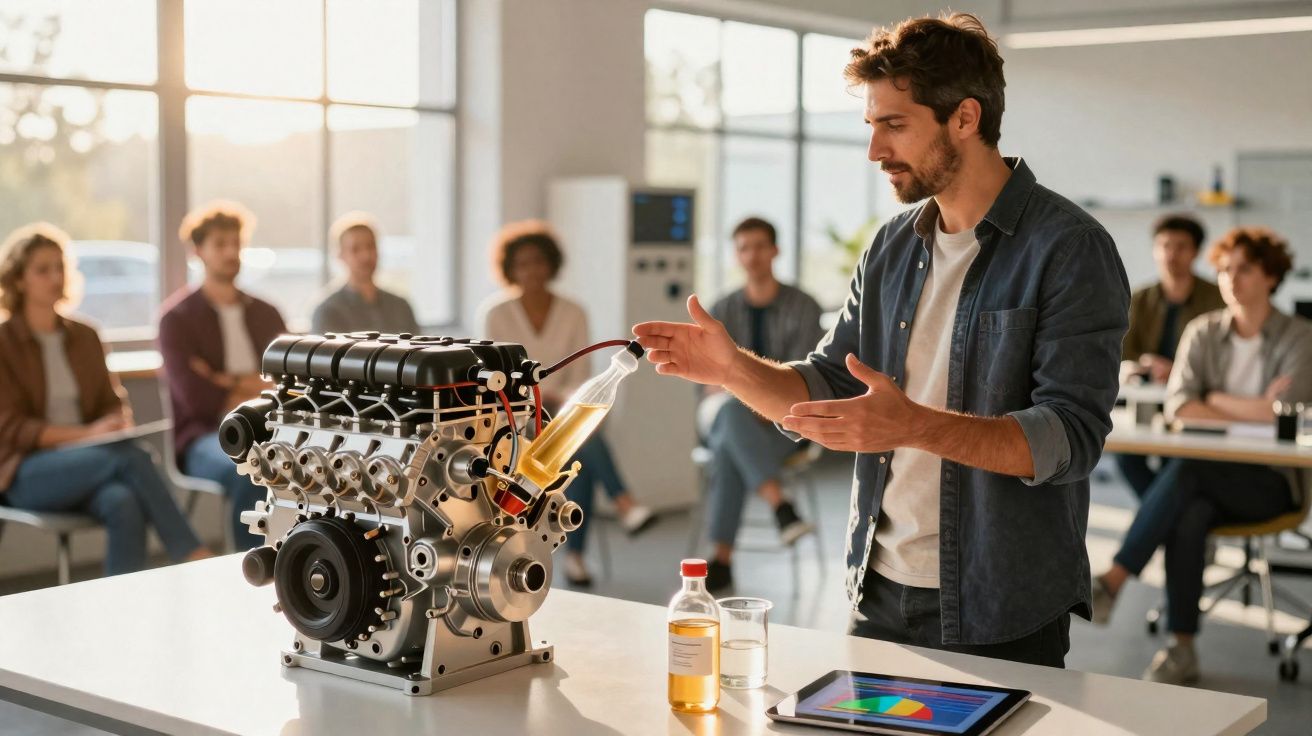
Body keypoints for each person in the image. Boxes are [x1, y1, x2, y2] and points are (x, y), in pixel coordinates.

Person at [635, 13, 1129, 667]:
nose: (874, 150)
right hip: (879, 592)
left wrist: (913, 425)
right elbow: (827, 386)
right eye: (870, 126)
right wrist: (732, 370)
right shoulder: (892, 246)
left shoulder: (1070, 249)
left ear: (965, 118)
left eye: (894, 125)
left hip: (1000, 602)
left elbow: (1069, 438)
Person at [1092, 227, 1310, 684]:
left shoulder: (1300, 336)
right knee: (1189, 512)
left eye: (1244, 269)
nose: (1231, 279)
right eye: (1225, 269)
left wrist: (1214, 399)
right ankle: (1182, 648)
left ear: (1271, 276)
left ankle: (1113, 580)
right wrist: (1255, 406)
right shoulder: (1203, 331)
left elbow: (1288, 411)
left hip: (1271, 484)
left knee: (1187, 471)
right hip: (1207, 481)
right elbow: (1179, 407)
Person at [0, 223, 209, 576]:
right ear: (18, 280)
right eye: (42, 270)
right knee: (132, 457)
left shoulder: (86, 336)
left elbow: (112, 403)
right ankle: (192, 557)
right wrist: (88, 435)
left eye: (60, 267)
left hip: (92, 461)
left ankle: (121, 601)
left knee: (122, 501)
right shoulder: (3, 343)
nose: (55, 277)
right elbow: (14, 429)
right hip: (25, 472)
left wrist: (113, 423)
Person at [478, 220, 656, 587]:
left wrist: (557, 397)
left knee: (576, 445)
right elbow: (494, 377)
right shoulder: (495, 313)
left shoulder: (574, 312)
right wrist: (537, 398)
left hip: (564, 407)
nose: (531, 270)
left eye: (538, 261)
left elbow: (581, 375)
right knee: (580, 441)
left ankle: (576, 554)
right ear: (510, 269)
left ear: (551, 264)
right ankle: (616, 511)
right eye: (522, 263)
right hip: (515, 418)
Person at [700, 216, 825, 591]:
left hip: (786, 424)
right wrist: (752, 397)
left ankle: (721, 559)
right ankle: (780, 506)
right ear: (736, 255)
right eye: (743, 248)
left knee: (728, 445)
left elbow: (807, 378)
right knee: (730, 415)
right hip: (726, 412)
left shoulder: (804, 306)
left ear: (775, 250)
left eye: (759, 246)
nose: (752, 255)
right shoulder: (721, 309)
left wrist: (763, 400)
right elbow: (708, 383)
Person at [159, 202, 287, 551]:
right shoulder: (177, 320)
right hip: (205, 436)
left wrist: (223, 380)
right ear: (197, 251)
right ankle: (251, 567)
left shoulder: (267, 313)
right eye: (220, 244)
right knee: (250, 468)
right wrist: (256, 383)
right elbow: (197, 400)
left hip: (272, 428)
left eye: (236, 243)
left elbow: (286, 385)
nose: (232, 252)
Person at [1116, 215, 1225, 495]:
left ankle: (1161, 515)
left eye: (1181, 246)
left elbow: (1221, 359)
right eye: (1164, 246)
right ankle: (1165, 515)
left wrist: (1175, 369)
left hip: (1195, 399)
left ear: (1196, 252)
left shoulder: (1216, 298)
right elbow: (1123, 350)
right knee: (1126, 457)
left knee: (1176, 461)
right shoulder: (1141, 297)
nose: (1171, 254)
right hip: (1146, 400)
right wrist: (1140, 364)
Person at [310, 212, 421, 335]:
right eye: (355, 249)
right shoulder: (327, 311)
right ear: (340, 255)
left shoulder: (401, 307)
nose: (366, 256)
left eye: (370, 246)